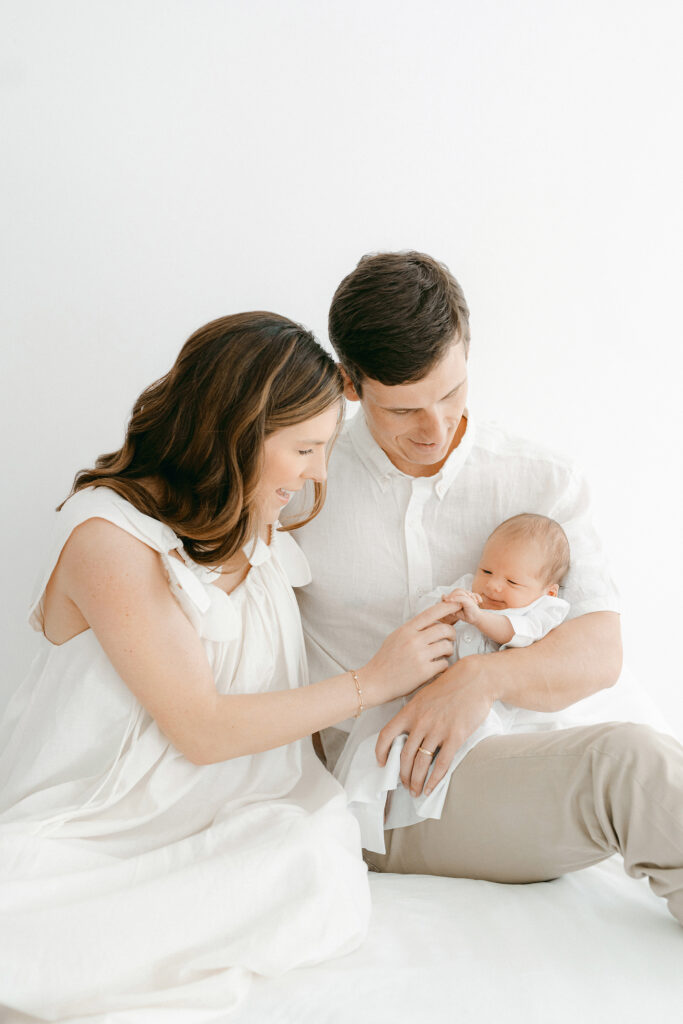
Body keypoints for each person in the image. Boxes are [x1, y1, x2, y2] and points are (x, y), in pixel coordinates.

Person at [0, 312, 457, 1021]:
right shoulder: (108, 537)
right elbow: (201, 729)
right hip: (93, 830)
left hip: (235, 821)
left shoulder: (257, 524)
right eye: (304, 449)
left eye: (325, 449)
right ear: (237, 432)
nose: (316, 475)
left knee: (307, 856)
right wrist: (374, 680)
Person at [287, 252, 683, 922]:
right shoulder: (296, 490)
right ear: (350, 385)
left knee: (639, 756)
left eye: (450, 393)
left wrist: (479, 682)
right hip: (393, 790)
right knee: (634, 765)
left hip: (529, 753)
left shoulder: (540, 479)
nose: (435, 429)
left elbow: (597, 651)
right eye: (404, 409)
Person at [333, 512, 572, 853]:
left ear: (547, 591)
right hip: (428, 696)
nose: (493, 585)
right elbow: (423, 615)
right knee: (381, 748)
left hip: (485, 711)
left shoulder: (540, 612)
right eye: (486, 571)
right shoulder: (464, 591)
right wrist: (446, 610)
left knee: (472, 760)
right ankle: (366, 823)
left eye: (512, 582)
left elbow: (513, 633)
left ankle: (450, 822)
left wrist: (478, 617)